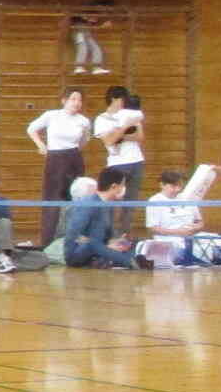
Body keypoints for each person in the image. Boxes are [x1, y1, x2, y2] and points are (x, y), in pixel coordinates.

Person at [27, 88, 92, 247]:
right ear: (64, 100)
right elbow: (31, 129)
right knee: (53, 200)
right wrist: (41, 145)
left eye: (79, 100)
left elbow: (85, 140)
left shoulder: (83, 120)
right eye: (73, 99)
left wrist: (74, 150)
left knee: (76, 198)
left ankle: (72, 240)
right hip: (55, 158)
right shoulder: (51, 115)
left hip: (74, 158)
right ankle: (48, 241)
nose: (76, 103)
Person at [64, 170, 149, 270]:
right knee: (92, 244)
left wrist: (115, 241)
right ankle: (130, 262)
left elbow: (106, 236)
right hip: (78, 253)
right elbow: (74, 236)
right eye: (122, 185)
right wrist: (105, 247)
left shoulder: (108, 205)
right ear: (113, 186)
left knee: (133, 241)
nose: (123, 188)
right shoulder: (88, 204)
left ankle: (131, 259)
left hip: (100, 249)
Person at [142, 164, 217, 268]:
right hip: (169, 243)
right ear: (162, 185)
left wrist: (196, 228)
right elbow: (153, 228)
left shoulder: (187, 198)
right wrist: (178, 232)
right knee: (167, 252)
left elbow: (200, 222)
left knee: (218, 246)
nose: (177, 189)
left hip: (192, 240)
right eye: (173, 186)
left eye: (179, 186)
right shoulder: (154, 201)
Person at [94, 87, 146, 230]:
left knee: (131, 202)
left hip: (136, 161)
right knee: (113, 201)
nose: (125, 102)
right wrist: (124, 128)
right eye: (123, 99)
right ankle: (109, 235)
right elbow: (108, 141)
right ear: (114, 99)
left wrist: (119, 135)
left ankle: (125, 234)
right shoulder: (102, 119)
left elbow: (140, 137)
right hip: (117, 164)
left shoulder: (130, 114)